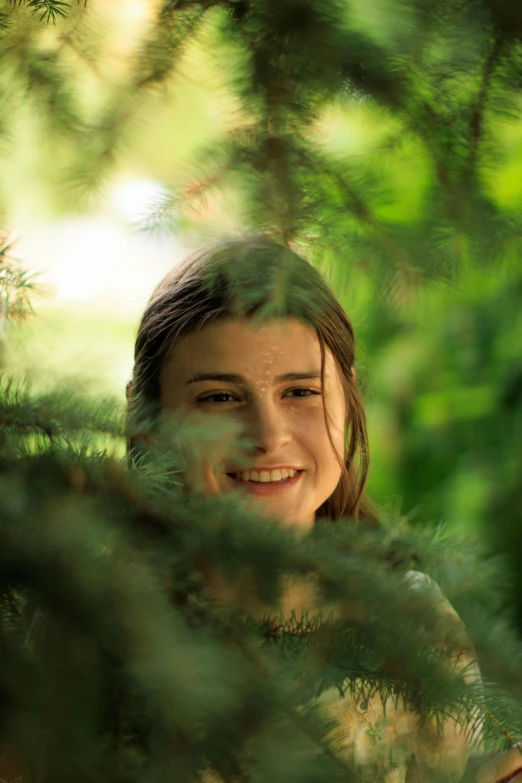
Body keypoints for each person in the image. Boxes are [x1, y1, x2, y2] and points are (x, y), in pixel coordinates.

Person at [122, 235, 520, 783]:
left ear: (347, 400)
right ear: (147, 420)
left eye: (300, 392)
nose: (268, 437)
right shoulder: (95, 628)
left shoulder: (413, 619)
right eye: (219, 398)